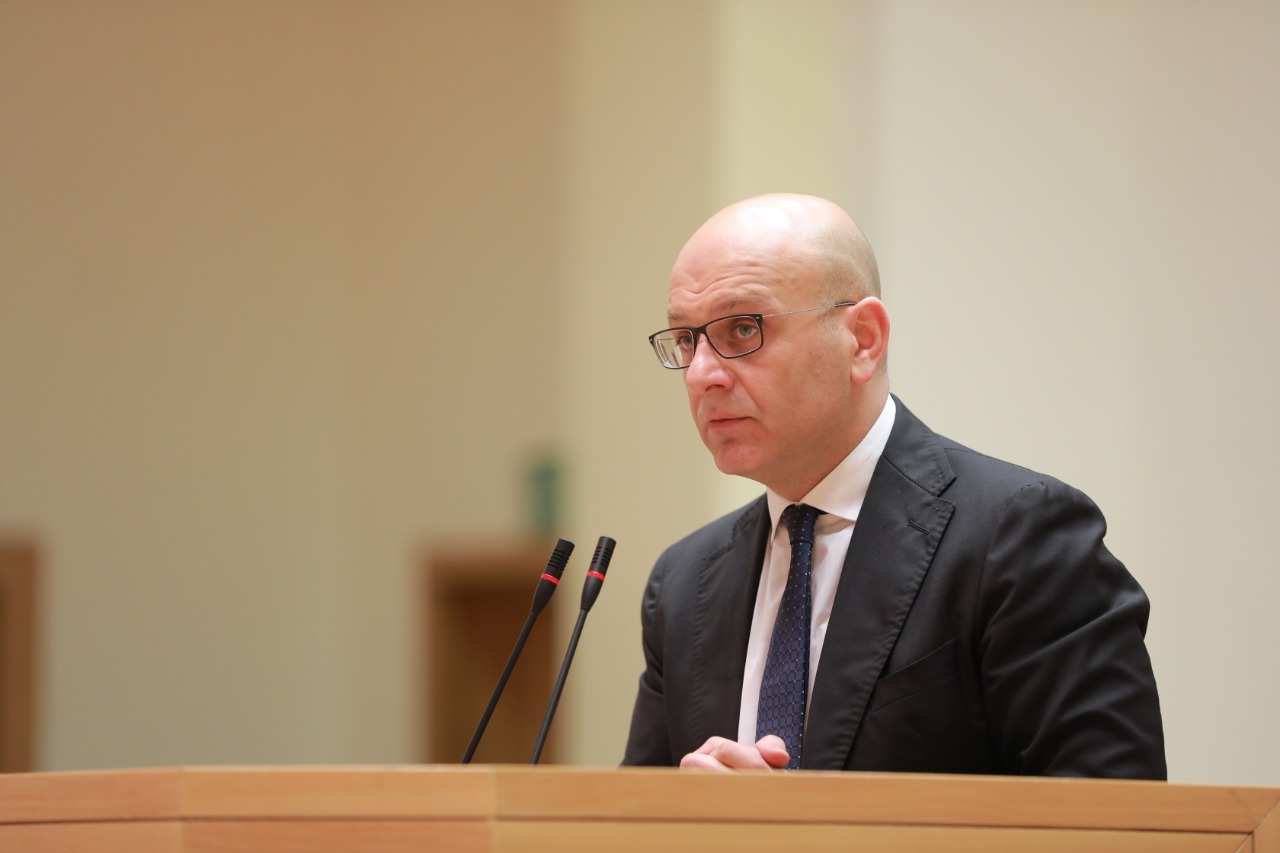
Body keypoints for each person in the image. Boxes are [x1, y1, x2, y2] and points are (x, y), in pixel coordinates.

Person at [622, 193, 1165, 778]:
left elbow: (1114, 813)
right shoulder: (685, 583)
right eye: (686, 340)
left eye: (742, 329)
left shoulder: (1019, 538)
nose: (702, 374)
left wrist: (799, 825)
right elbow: (634, 815)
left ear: (863, 339)